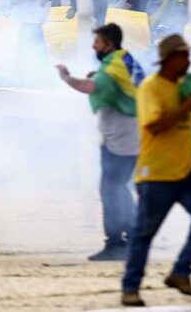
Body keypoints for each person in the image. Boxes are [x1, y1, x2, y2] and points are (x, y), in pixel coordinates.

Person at [120, 34, 191, 308]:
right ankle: (130, 288)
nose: (188, 61)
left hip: (186, 169)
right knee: (143, 234)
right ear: (171, 59)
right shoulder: (152, 87)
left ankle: (181, 271)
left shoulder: (184, 85)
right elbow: (154, 126)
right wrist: (187, 104)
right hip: (158, 174)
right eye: (184, 56)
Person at [56, 24, 143, 261]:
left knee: (111, 189)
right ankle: (136, 237)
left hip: (121, 137)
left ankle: (115, 243)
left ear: (109, 44)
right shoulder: (123, 60)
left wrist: (66, 78)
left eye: (97, 42)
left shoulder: (114, 65)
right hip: (130, 133)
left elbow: (91, 87)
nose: (94, 46)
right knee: (120, 187)